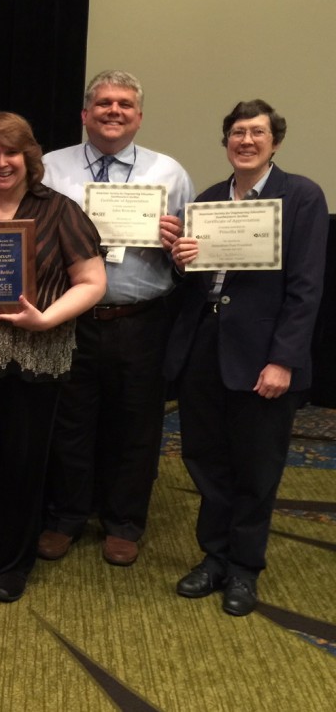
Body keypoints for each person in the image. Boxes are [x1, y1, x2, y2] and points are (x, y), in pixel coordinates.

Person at [165, 100, 328, 616]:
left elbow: (306, 289)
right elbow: (195, 285)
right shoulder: (210, 200)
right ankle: (213, 557)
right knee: (205, 459)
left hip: (263, 358)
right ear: (227, 142)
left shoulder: (300, 196)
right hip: (204, 351)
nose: (247, 141)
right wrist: (180, 262)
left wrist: (284, 360)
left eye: (257, 132)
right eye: (237, 132)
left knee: (256, 469)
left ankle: (243, 569)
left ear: (275, 141)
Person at [0, 112, 105, 602]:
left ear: (29, 159)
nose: (1, 162)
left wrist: (47, 319)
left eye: (11, 153)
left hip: (37, 357)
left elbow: (94, 283)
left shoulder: (60, 210)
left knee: (23, 461)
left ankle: (14, 561)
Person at [39, 71, 196, 566]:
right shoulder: (48, 167)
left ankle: (124, 521)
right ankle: (66, 515)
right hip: (71, 318)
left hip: (142, 319)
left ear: (139, 116)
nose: (114, 111)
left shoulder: (169, 172)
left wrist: (179, 247)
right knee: (70, 421)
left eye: (125, 104)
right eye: (103, 103)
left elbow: (194, 253)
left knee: (137, 424)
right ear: (85, 114)